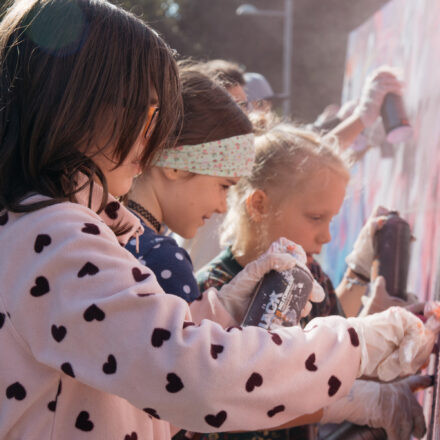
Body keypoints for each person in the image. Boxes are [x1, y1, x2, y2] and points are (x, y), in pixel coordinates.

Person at [0, 2, 435, 439]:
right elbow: (197, 380)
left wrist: (223, 311)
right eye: (150, 114)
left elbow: (146, 378)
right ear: (86, 107)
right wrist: (360, 346)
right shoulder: (53, 234)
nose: (154, 139)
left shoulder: (53, 225)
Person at [197, 122, 430, 440]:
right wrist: (366, 403)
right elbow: (238, 405)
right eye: (315, 218)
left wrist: (388, 333)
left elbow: (334, 361)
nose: (327, 236)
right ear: (260, 205)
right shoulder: (212, 295)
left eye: (331, 219)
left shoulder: (310, 274)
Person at [125, 67, 255, 302]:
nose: (222, 207)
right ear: (176, 166)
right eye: (224, 186)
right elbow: (189, 339)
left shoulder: (101, 227)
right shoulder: (162, 259)